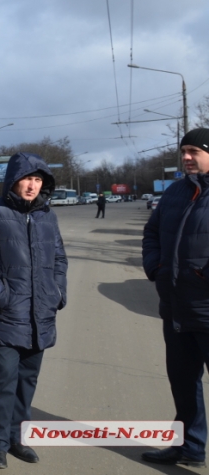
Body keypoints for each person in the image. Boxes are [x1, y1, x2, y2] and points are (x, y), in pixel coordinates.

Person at [0, 152, 68, 470]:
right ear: (13, 180)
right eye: (27, 178)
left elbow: (60, 258)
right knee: (3, 381)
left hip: (41, 315)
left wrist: (57, 293)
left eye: (38, 180)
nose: (33, 185)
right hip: (6, 314)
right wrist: (1, 295)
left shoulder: (48, 216)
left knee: (27, 381)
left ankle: (18, 438)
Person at [141, 127, 209, 468]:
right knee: (184, 385)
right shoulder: (175, 192)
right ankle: (189, 447)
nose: (186, 157)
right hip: (177, 309)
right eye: (183, 150)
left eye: (194, 151)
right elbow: (152, 231)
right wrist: (157, 268)